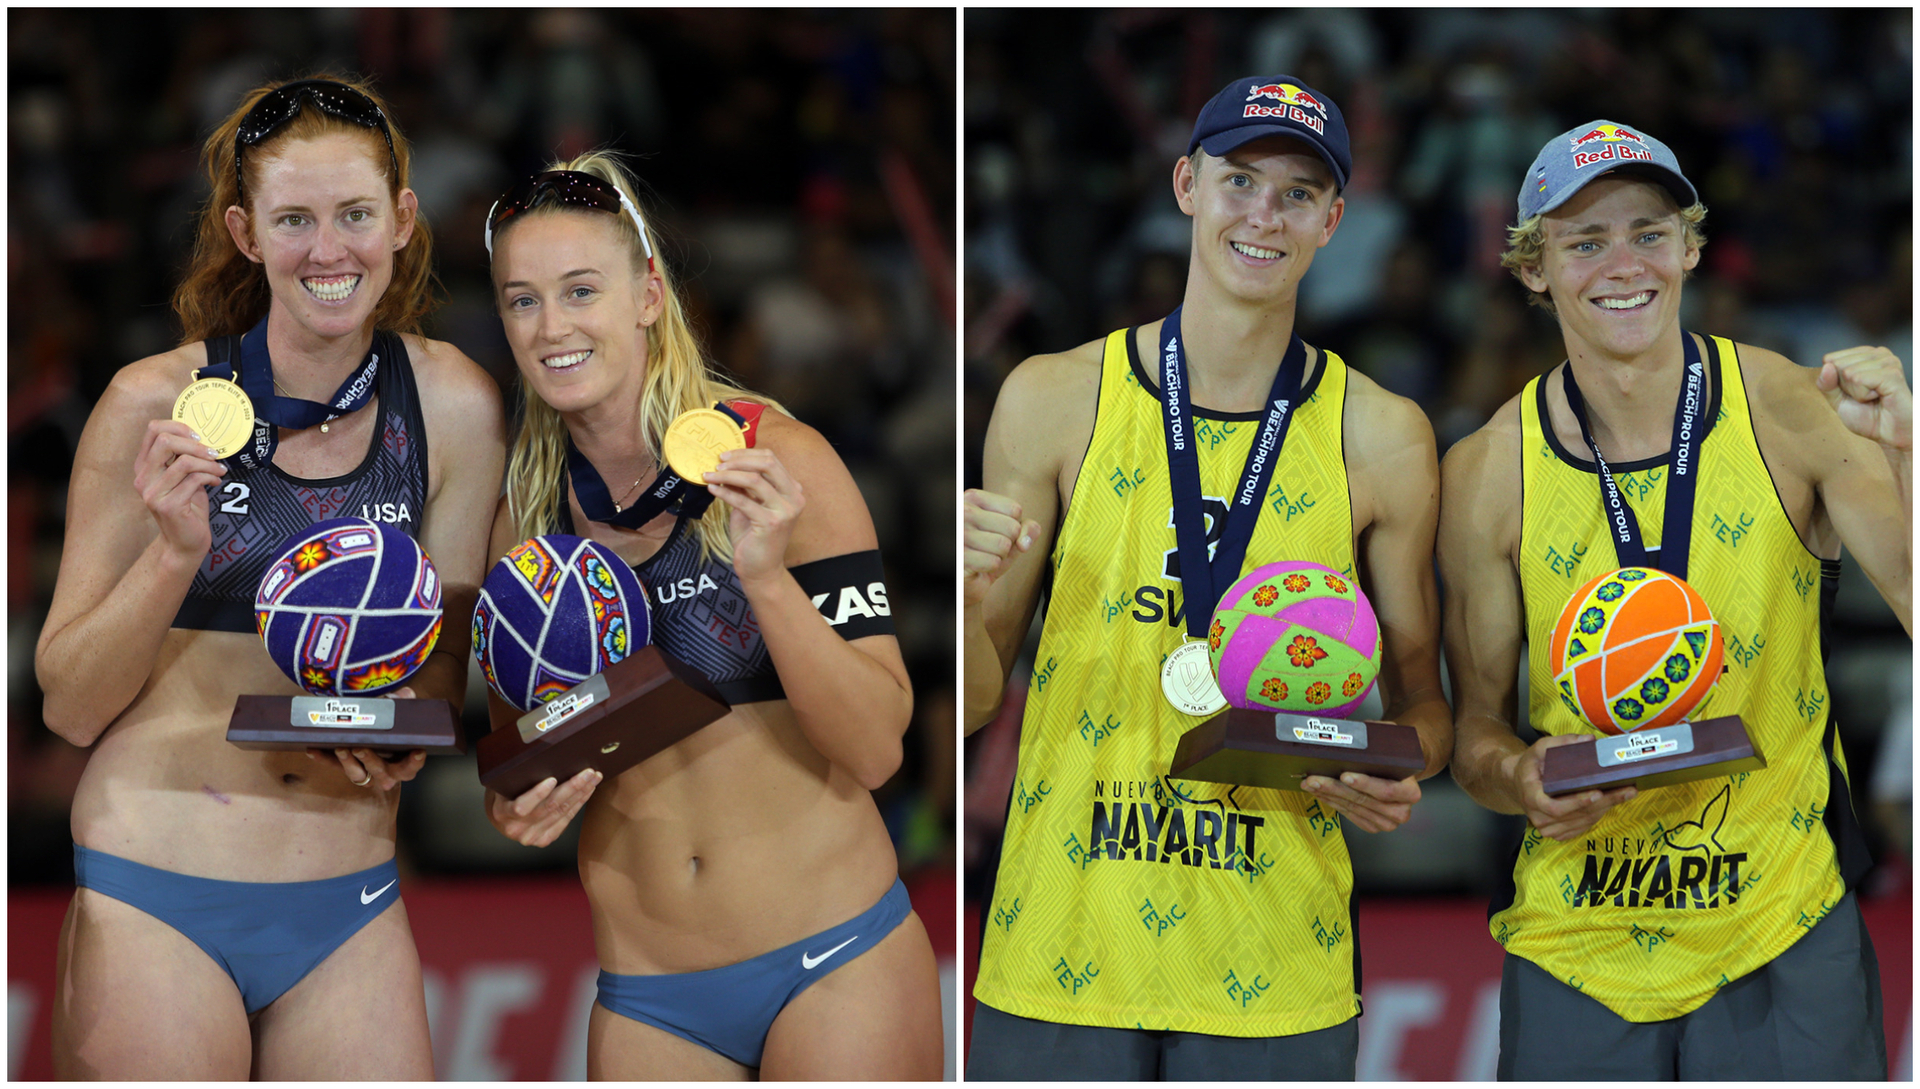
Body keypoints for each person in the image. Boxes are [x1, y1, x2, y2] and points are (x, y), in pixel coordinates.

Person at [963, 75, 1451, 1080]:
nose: (1264, 216)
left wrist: (1390, 770)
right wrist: (971, 603)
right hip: (1061, 944)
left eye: (1298, 195)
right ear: (1187, 184)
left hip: (1272, 961)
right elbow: (972, 700)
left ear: (1334, 221)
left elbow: (1425, 711)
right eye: (1240, 181)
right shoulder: (1051, 399)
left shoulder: (1383, 436)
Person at [34, 76, 505, 1078]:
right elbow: (70, 705)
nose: (329, 251)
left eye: (355, 216)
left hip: (350, 901)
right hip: (158, 887)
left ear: (403, 221)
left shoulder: (454, 404)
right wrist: (172, 552)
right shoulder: (152, 403)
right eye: (294, 220)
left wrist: (406, 727)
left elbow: (443, 661)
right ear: (247, 234)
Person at [1439, 120, 1910, 1080]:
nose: (1624, 265)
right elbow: (1472, 735)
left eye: (1649, 233)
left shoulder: (1788, 407)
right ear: (1534, 270)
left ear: (1690, 247)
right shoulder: (1488, 471)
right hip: (1580, 938)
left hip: (1781, 918)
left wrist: (1908, 455)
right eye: (1584, 241)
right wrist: (1523, 777)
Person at [478, 154, 943, 1081]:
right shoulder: (524, 517)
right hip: (650, 998)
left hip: (832, 959)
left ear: (649, 293)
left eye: (580, 290)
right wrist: (517, 803)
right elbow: (517, 754)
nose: (552, 326)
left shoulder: (782, 461)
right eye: (522, 300)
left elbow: (880, 747)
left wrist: (767, 579)